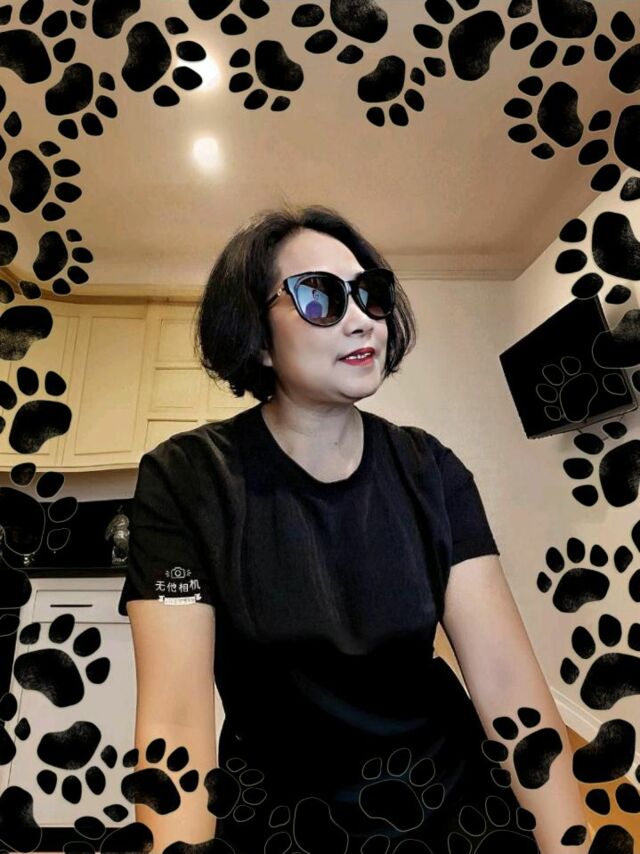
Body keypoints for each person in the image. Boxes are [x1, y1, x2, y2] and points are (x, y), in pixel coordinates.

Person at [119, 205, 590, 853]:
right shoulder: (186, 479)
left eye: (371, 293)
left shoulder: (432, 470)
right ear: (258, 337)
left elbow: (508, 684)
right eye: (319, 296)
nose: (362, 317)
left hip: (451, 808)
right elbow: (176, 722)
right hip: (282, 823)